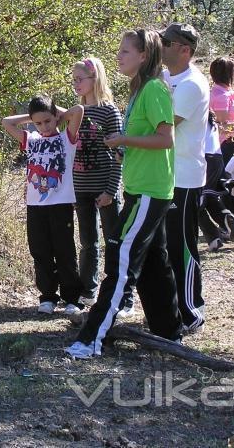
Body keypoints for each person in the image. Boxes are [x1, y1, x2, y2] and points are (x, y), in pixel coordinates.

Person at [66, 29, 183, 359]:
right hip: (140, 190)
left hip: (149, 193)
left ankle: (92, 339)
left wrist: (123, 141)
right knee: (155, 262)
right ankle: (169, 333)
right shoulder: (138, 90)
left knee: (120, 263)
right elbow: (144, 140)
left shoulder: (154, 90)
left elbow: (165, 139)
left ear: (144, 56)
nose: (118, 57)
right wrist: (123, 151)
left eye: (125, 52)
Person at [2, 97, 85, 317]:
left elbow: (78, 111)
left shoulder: (67, 138)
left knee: (65, 251)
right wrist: (31, 117)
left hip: (61, 204)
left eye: (47, 121)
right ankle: (48, 296)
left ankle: (72, 298)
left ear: (55, 118)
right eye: (38, 123)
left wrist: (57, 112)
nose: (44, 127)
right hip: (36, 206)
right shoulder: (31, 139)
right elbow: (6, 122)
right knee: (40, 251)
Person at [160, 22, 209, 334]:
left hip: (185, 177)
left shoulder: (192, 84)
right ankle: (169, 309)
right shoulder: (164, 77)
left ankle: (191, 312)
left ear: (185, 50)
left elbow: (164, 124)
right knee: (162, 246)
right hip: (162, 174)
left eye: (168, 41)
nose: (162, 45)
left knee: (182, 246)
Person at [70, 57, 129, 314]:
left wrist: (110, 190)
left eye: (80, 79)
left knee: (113, 242)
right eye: (73, 79)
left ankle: (122, 296)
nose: (76, 84)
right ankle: (88, 292)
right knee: (88, 243)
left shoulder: (109, 111)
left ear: (95, 80)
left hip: (105, 187)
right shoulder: (75, 111)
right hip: (81, 187)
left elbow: (120, 153)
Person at [198, 110, 234, 251]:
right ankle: (224, 216)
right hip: (217, 159)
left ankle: (213, 237)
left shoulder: (197, 120)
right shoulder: (213, 124)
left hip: (203, 159)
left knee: (195, 201)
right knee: (210, 196)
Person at [209, 57, 234, 164]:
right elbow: (222, 127)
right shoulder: (221, 96)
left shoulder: (226, 92)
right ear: (227, 73)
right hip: (226, 145)